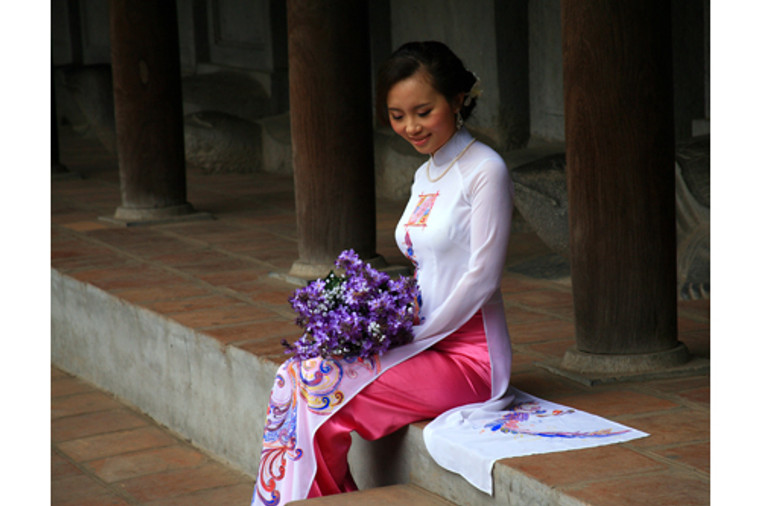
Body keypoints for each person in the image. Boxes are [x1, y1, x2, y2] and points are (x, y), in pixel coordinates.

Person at [251, 41, 514, 505]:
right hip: (422, 338)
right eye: (397, 115)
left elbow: (482, 278)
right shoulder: (425, 175)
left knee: (318, 390)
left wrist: (414, 335)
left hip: (470, 357)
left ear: (457, 100)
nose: (410, 127)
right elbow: (425, 267)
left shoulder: (485, 170)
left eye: (423, 111)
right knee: (295, 374)